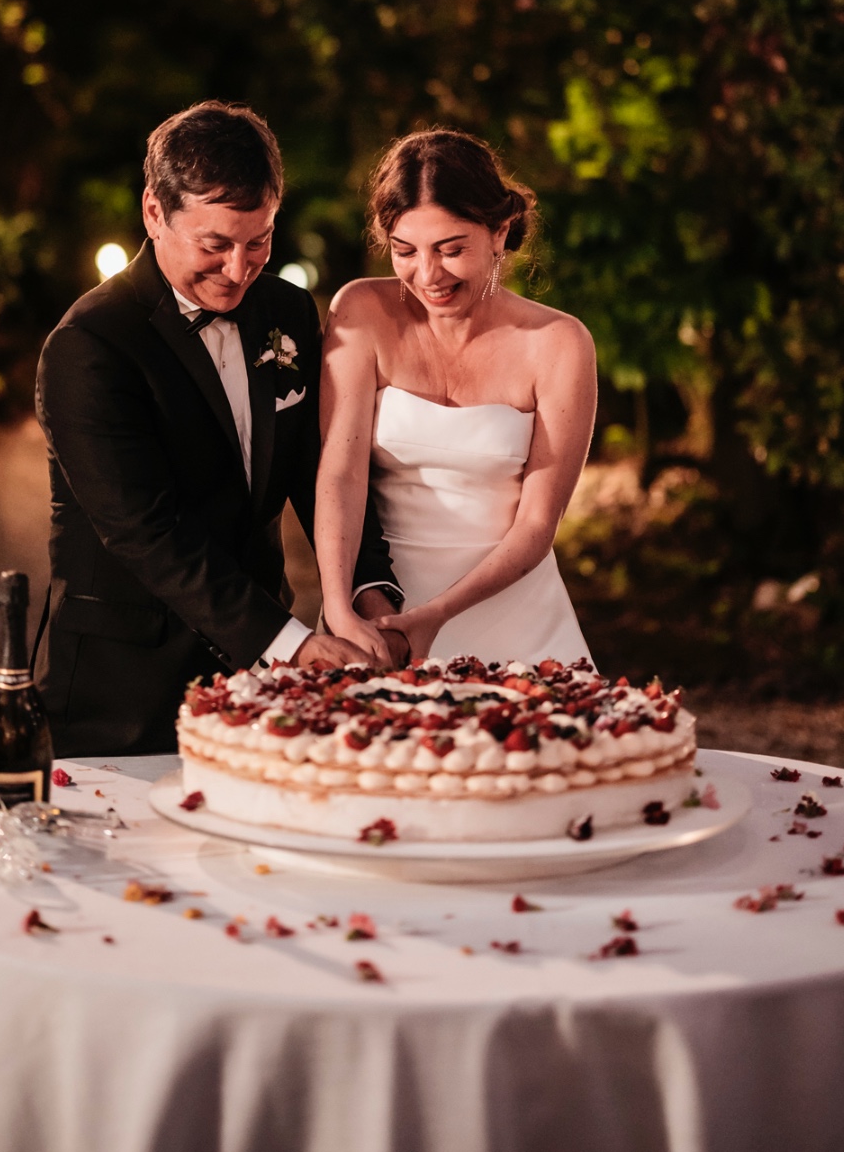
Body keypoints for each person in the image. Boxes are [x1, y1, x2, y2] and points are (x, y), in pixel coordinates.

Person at [33, 101, 404, 755]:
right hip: (127, 685)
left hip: (255, 684)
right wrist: (290, 644)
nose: (238, 269)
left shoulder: (287, 311)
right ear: (154, 212)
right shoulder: (89, 344)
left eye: (258, 242)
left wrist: (369, 589)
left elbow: (322, 467)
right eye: (214, 245)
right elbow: (147, 532)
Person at [314, 128, 597, 666]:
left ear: (499, 230)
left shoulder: (560, 343)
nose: (428, 275)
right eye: (406, 251)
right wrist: (339, 605)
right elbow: (339, 472)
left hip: (515, 611)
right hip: (375, 607)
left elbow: (538, 523)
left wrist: (436, 615)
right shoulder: (361, 311)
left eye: (451, 250)